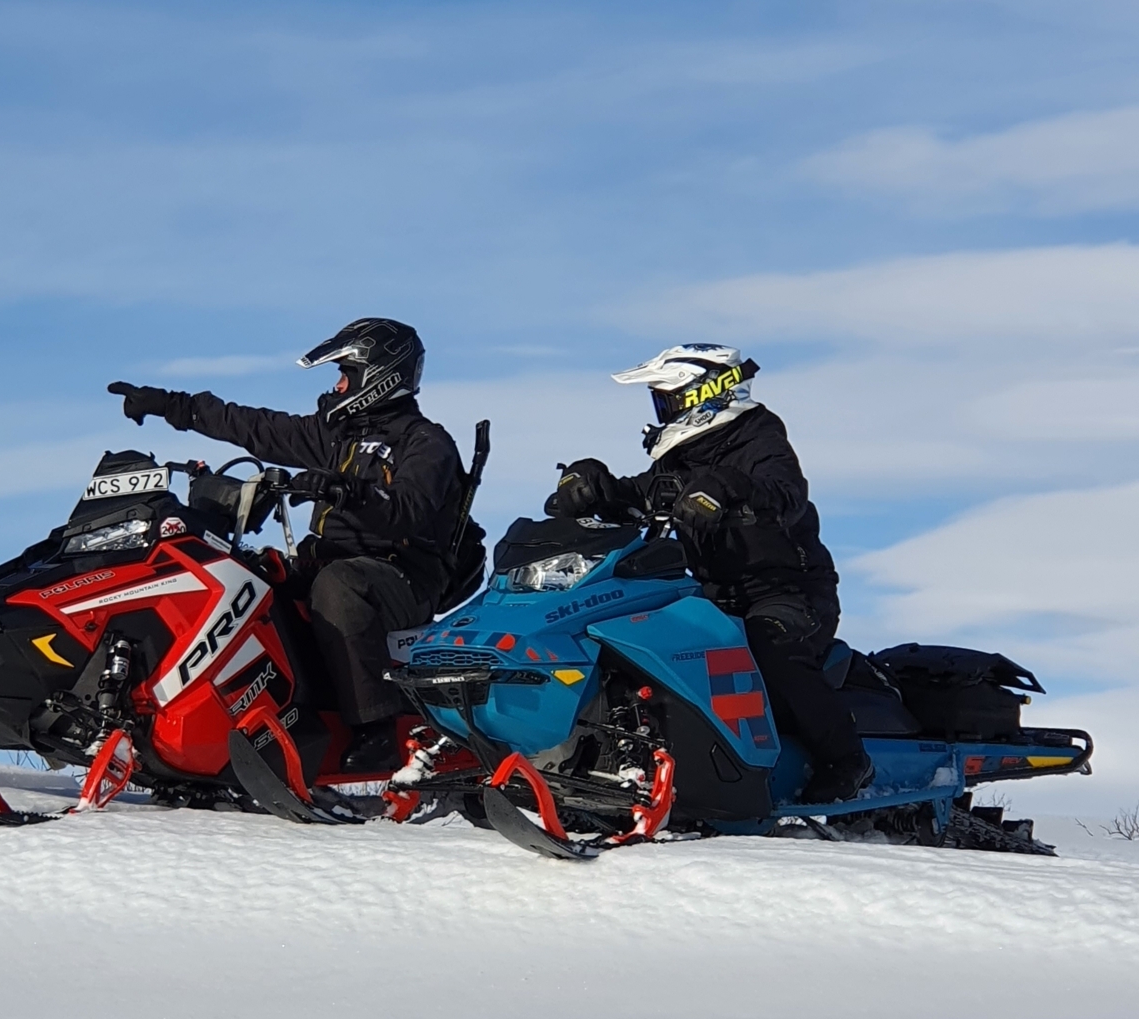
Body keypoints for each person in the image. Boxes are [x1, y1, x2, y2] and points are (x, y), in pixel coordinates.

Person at [109, 319, 463, 773]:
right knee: (242, 579)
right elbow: (256, 427)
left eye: (344, 376)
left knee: (339, 585)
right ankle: (255, 724)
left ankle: (375, 727)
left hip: (402, 577)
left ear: (379, 377)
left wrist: (345, 492)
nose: (336, 386)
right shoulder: (338, 436)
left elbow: (408, 509)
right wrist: (172, 406)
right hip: (335, 565)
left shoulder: (426, 442)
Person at [545, 343, 875, 803]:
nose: (662, 412)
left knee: (769, 644)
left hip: (787, 591)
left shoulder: (759, 437)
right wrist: (592, 487)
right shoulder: (681, 459)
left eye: (668, 399)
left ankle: (847, 760)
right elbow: (644, 494)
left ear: (706, 393)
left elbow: (785, 490)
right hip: (712, 594)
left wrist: (725, 488)